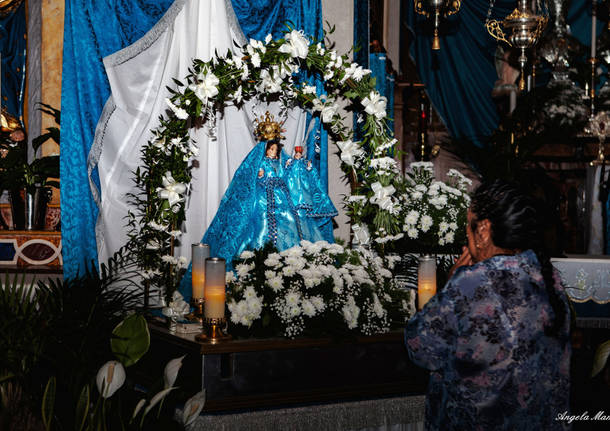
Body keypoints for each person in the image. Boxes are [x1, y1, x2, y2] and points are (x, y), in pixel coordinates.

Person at [405, 180, 571, 430]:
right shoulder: (551, 279)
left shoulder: (469, 283)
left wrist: (450, 282)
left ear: (483, 231)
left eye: (468, 230)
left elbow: (420, 349)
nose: (467, 237)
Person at [284, 146, 337, 242]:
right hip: (293, 191)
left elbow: (312, 173)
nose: (298, 156)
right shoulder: (291, 163)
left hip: (303, 191)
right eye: (296, 154)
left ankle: (307, 238)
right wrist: (287, 166)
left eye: (299, 154)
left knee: (305, 218)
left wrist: (309, 167)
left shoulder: (304, 163)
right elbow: (285, 174)